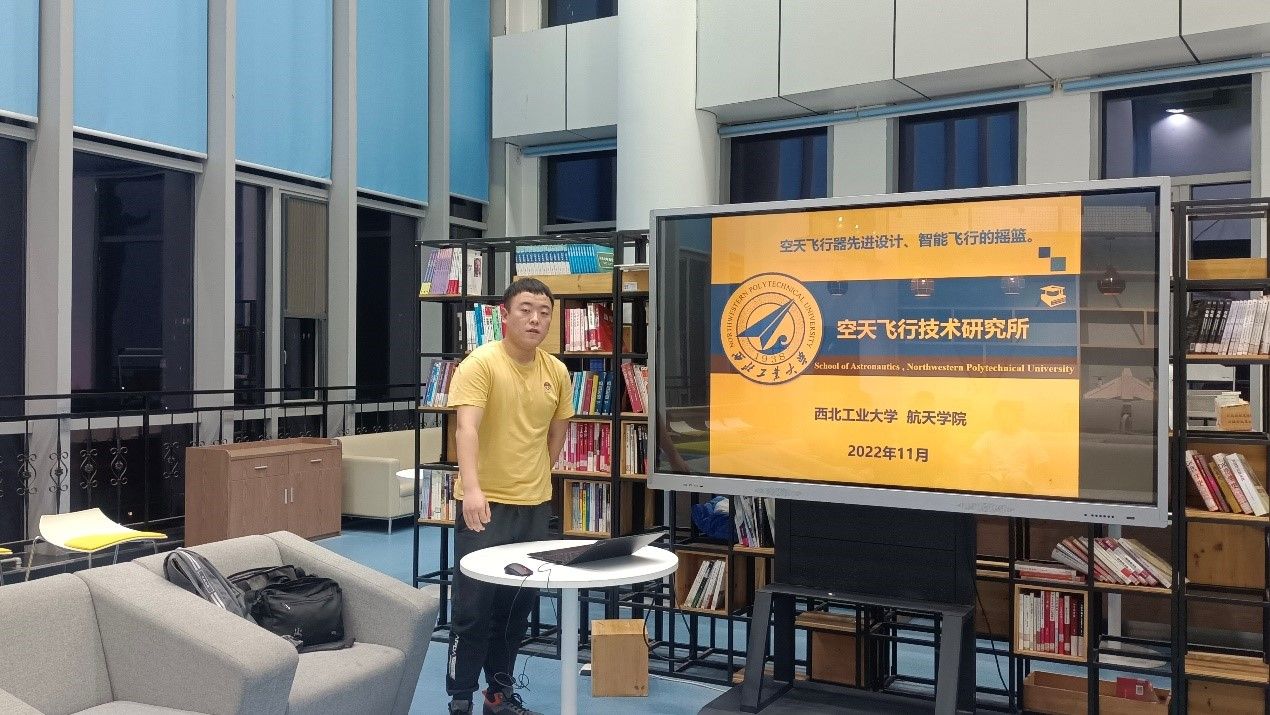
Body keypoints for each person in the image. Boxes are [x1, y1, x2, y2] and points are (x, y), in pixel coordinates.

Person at [445, 277, 574, 715]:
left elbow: (557, 432)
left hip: (534, 506)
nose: (535, 319)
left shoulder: (556, 371)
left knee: (516, 608)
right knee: (473, 608)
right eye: (526, 309)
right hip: (485, 506)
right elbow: (466, 429)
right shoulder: (480, 364)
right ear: (504, 314)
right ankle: (460, 697)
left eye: (544, 312)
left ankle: (498, 695)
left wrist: (538, 475)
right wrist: (473, 489)